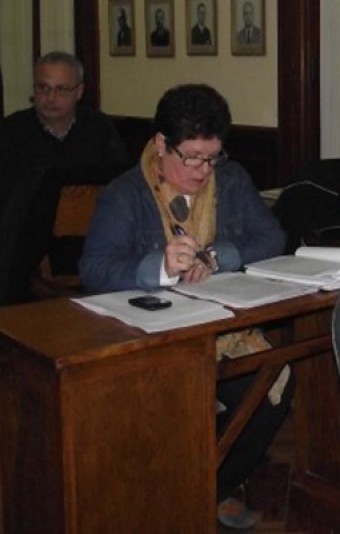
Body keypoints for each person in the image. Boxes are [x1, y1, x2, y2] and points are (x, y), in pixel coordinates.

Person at [79, 84, 290, 530]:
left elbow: (271, 236)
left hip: (221, 329)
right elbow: (93, 268)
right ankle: (168, 495)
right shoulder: (125, 194)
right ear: (161, 144)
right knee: (166, 401)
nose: (203, 170)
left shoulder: (230, 180)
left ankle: (206, 489)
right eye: (192, 157)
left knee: (272, 387)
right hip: (149, 339)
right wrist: (158, 266)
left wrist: (216, 257)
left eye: (212, 157)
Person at [0, 52, 129, 305]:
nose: (50, 98)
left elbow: (120, 181)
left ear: (79, 91)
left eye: (61, 89)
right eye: (43, 88)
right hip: (29, 251)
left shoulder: (99, 128)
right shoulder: (12, 132)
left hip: (93, 241)